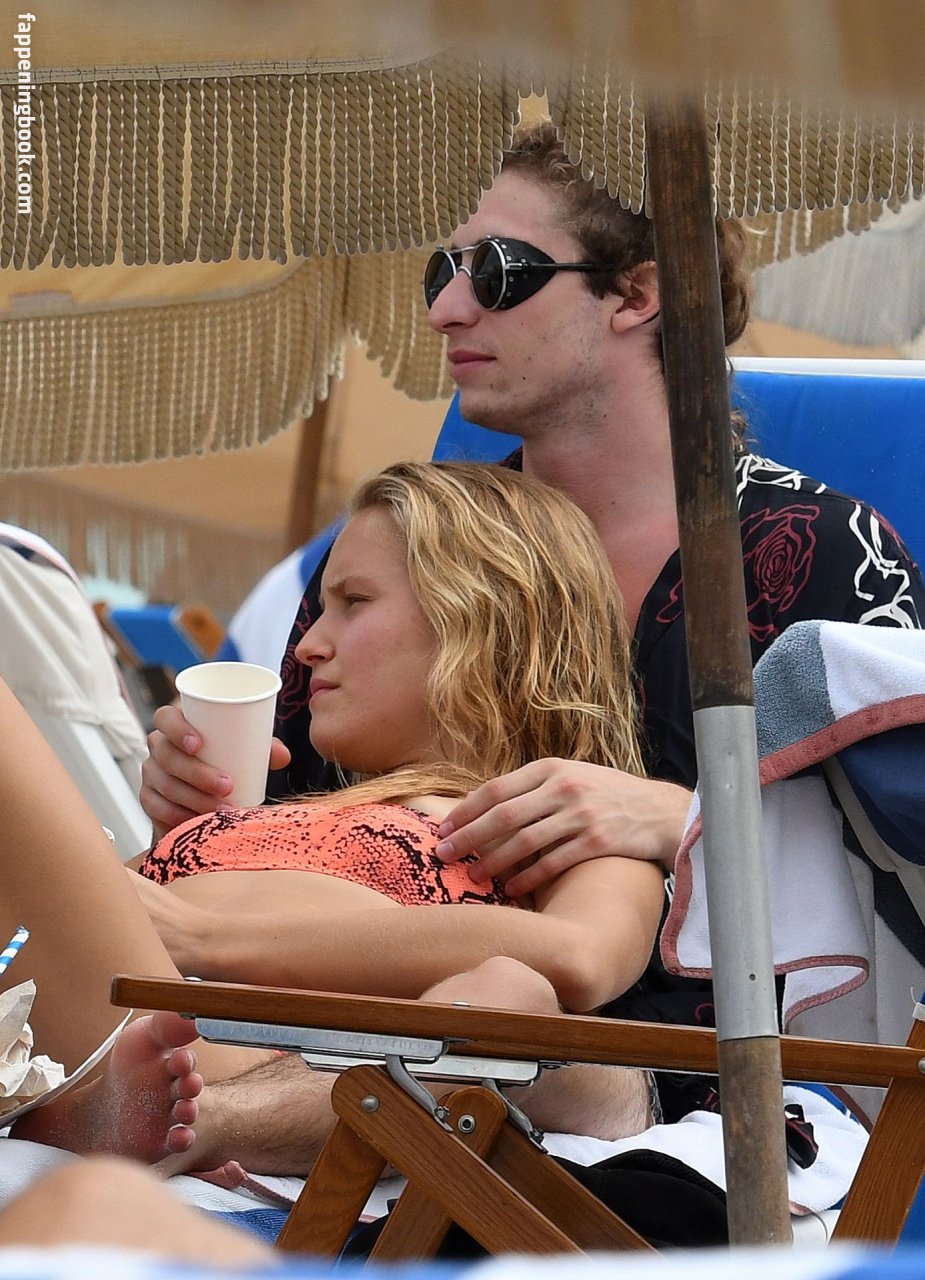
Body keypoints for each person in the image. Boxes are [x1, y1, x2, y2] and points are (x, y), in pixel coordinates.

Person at [5, 462, 661, 1176]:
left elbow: (578, 958)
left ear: (490, 618)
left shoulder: (572, 821)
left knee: (514, 995)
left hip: (246, 1071)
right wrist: (177, 841)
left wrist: (205, 935)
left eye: (354, 601)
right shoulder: (265, 806)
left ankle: (190, 1123)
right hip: (110, 1027)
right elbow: (89, 929)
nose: (308, 645)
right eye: (321, 608)